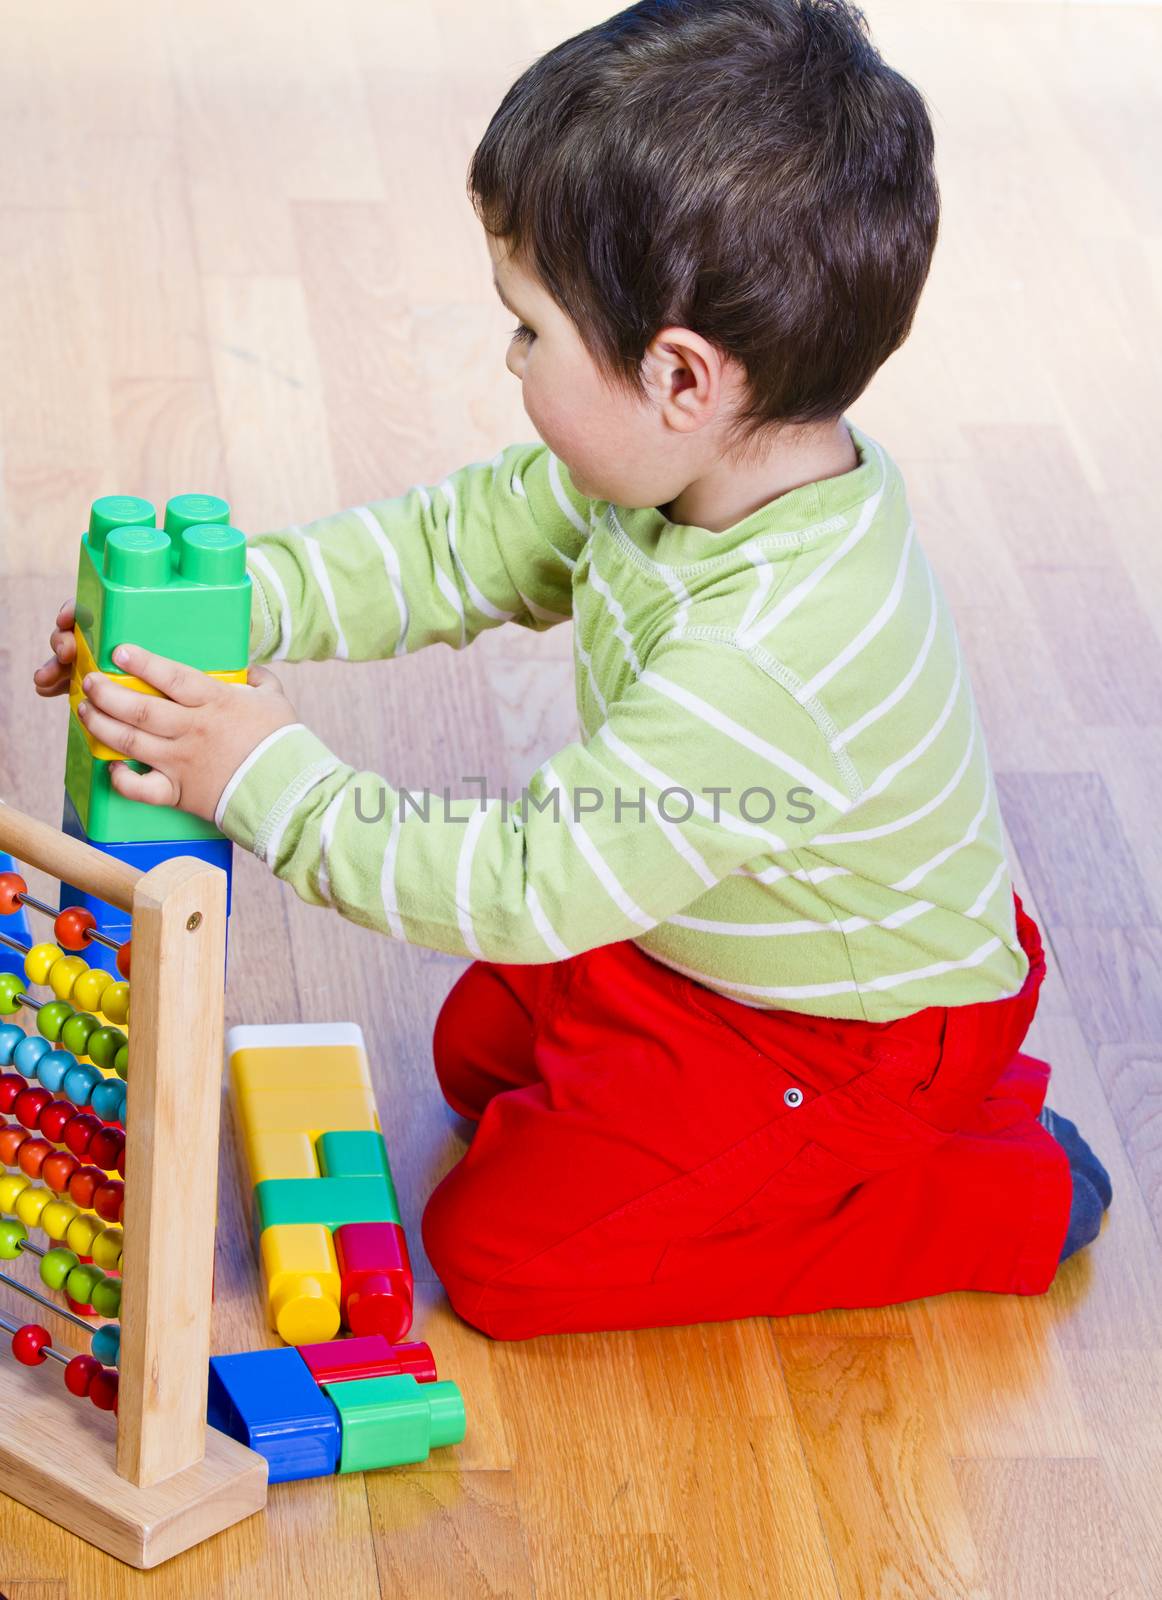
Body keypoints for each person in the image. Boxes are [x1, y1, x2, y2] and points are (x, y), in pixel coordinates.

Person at [35, 0, 1110, 1340]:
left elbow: (527, 884)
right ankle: (833, 1126)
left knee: (498, 1255)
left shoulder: (770, 659)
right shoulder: (681, 472)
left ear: (678, 376)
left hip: (841, 1042)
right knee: (473, 1057)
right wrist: (230, 609)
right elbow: (448, 548)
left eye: (529, 328)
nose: (509, 357)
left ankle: (987, 1190)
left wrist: (263, 778)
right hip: (699, 939)